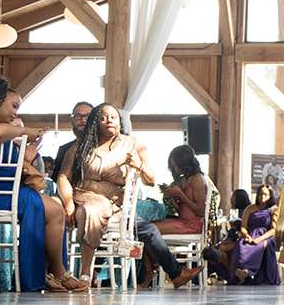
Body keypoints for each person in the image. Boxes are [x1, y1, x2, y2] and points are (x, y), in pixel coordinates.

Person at [0, 78, 84, 293]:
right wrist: (23, 131)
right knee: (54, 209)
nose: (16, 113)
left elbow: (8, 158)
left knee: (56, 208)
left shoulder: (6, 126)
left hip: (4, 191)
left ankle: (53, 271)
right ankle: (54, 271)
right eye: (14, 106)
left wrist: (28, 154)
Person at [60, 104, 200, 290]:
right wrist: (68, 203)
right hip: (86, 198)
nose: (108, 120)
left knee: (148, 230)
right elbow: (63, 177)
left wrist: (138, 165)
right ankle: (86, 275)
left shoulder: (132, 144)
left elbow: (151, 180)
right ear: (95, 122)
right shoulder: (82, 146)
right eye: (103, 117)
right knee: (92, 209)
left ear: (119, 122)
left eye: (113, 117)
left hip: (117, 206)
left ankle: (176, 273)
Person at [136, 144, 208, 288]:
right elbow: (182, 209)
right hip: (183, 220)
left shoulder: (198, 179)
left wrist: (181, 194)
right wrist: (172, 197)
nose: (174, 168)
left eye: (175, 164)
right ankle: (152, 269)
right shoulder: (184, 180)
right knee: (144, 229)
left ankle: (151, 271)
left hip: (192, 224)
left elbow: (200, 211)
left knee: (147, 229)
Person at [206, 184, 280, 285]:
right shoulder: (250, 208)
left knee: (257, 247)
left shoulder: (273, 209)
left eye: (265, 194)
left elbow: (273, 230)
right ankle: (239, 272)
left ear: (270, 196)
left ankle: (248, 271)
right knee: (241, 246)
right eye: (260, 194)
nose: (262, 197)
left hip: (265, 236)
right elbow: (243, 227)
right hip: (250, 234)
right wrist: (247, 236)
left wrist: (259, 239)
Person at [203, 187, 251, 281]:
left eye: (233, 197)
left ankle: (232, 275)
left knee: (218, 251)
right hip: (234, 241)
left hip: (241, 243)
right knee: (214, 251)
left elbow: (241, 233)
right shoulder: (239, 212)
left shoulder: (245, 212)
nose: (231, 200)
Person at [49, 101, 92, 182]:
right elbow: (56, 180)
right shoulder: (64, 150)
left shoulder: (105, 146)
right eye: (78, 116)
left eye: (88, 116)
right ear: (72, 120)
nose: (83, 119)